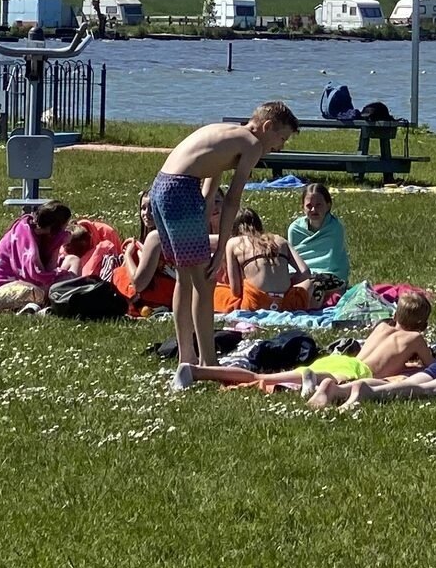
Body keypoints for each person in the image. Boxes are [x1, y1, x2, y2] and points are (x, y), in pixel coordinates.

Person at [142, 103, 301, 370]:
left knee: (185, 278)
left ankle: (186, 358)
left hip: (160, 188)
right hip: (181, 191)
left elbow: (209, 190)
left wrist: (203, 233)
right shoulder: (252, 144)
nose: (280, 147)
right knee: (205, 283)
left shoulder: (226, 134)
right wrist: (221, 248)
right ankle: (208, 362)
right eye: (281, 138)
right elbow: (231, 200)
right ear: (267, 127)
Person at [177, 289, 435, 393]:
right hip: (358, 372)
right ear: (422, 323)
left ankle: (196, 371)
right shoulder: (415, 339)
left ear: (396, 314)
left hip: (339, 361)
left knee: (262, 376)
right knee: (270, 380)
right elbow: (431, 368)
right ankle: (314, 383)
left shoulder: (382, 326)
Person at [220, 208, 309, 313]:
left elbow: (236, 291)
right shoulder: (280, 240)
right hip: (286, 302)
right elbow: (305, 272)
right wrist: (286, 283)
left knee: (218, 292)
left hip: (256, 302)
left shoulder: (233, 242)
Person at [285, 181, 349, 299]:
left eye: (318, 205)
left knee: (315, 287)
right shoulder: (295, 229)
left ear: (328, 205)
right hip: (301, 275)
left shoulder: (335, 227)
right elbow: (293, 261)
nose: (314, 209)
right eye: (309, 206)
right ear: (302, 207)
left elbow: (332, 263)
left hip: (328, 275)